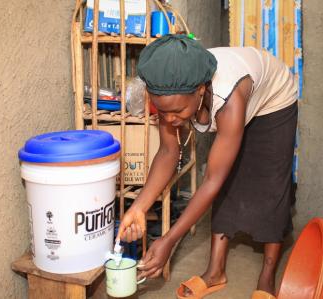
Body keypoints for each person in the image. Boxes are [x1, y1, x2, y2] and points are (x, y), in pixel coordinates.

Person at [116, 34, 298, 299]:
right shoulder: (172, 91)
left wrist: (169, 239)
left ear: (201, 90)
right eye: (161, 110)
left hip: (275, 100)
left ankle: (267, 275)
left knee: (270, 184)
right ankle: (215, 272)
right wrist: (138, 208)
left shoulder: (229, 97)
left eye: (176, 111)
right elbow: (168, 152)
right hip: (235, 99)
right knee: (228, 183)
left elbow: (212, 180)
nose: (168, 118)